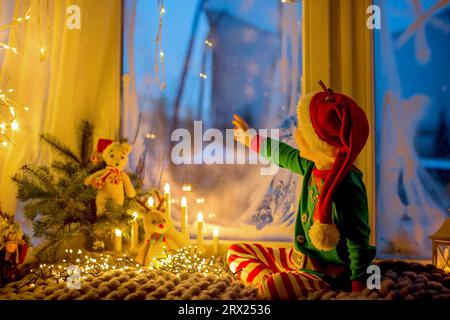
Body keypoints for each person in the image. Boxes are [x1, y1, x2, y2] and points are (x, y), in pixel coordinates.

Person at [228, 81, 376, 299]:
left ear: (325, 146)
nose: (297, 136)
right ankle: (268, 281)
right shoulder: (311, 166)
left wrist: (358, 291)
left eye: (305, 134)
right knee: (235, 251)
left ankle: (273, 284)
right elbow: (282, 154)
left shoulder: (348, 188)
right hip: (297, 259)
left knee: (275, 288)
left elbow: (358, 244)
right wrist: (249, 138)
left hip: (327, 275)